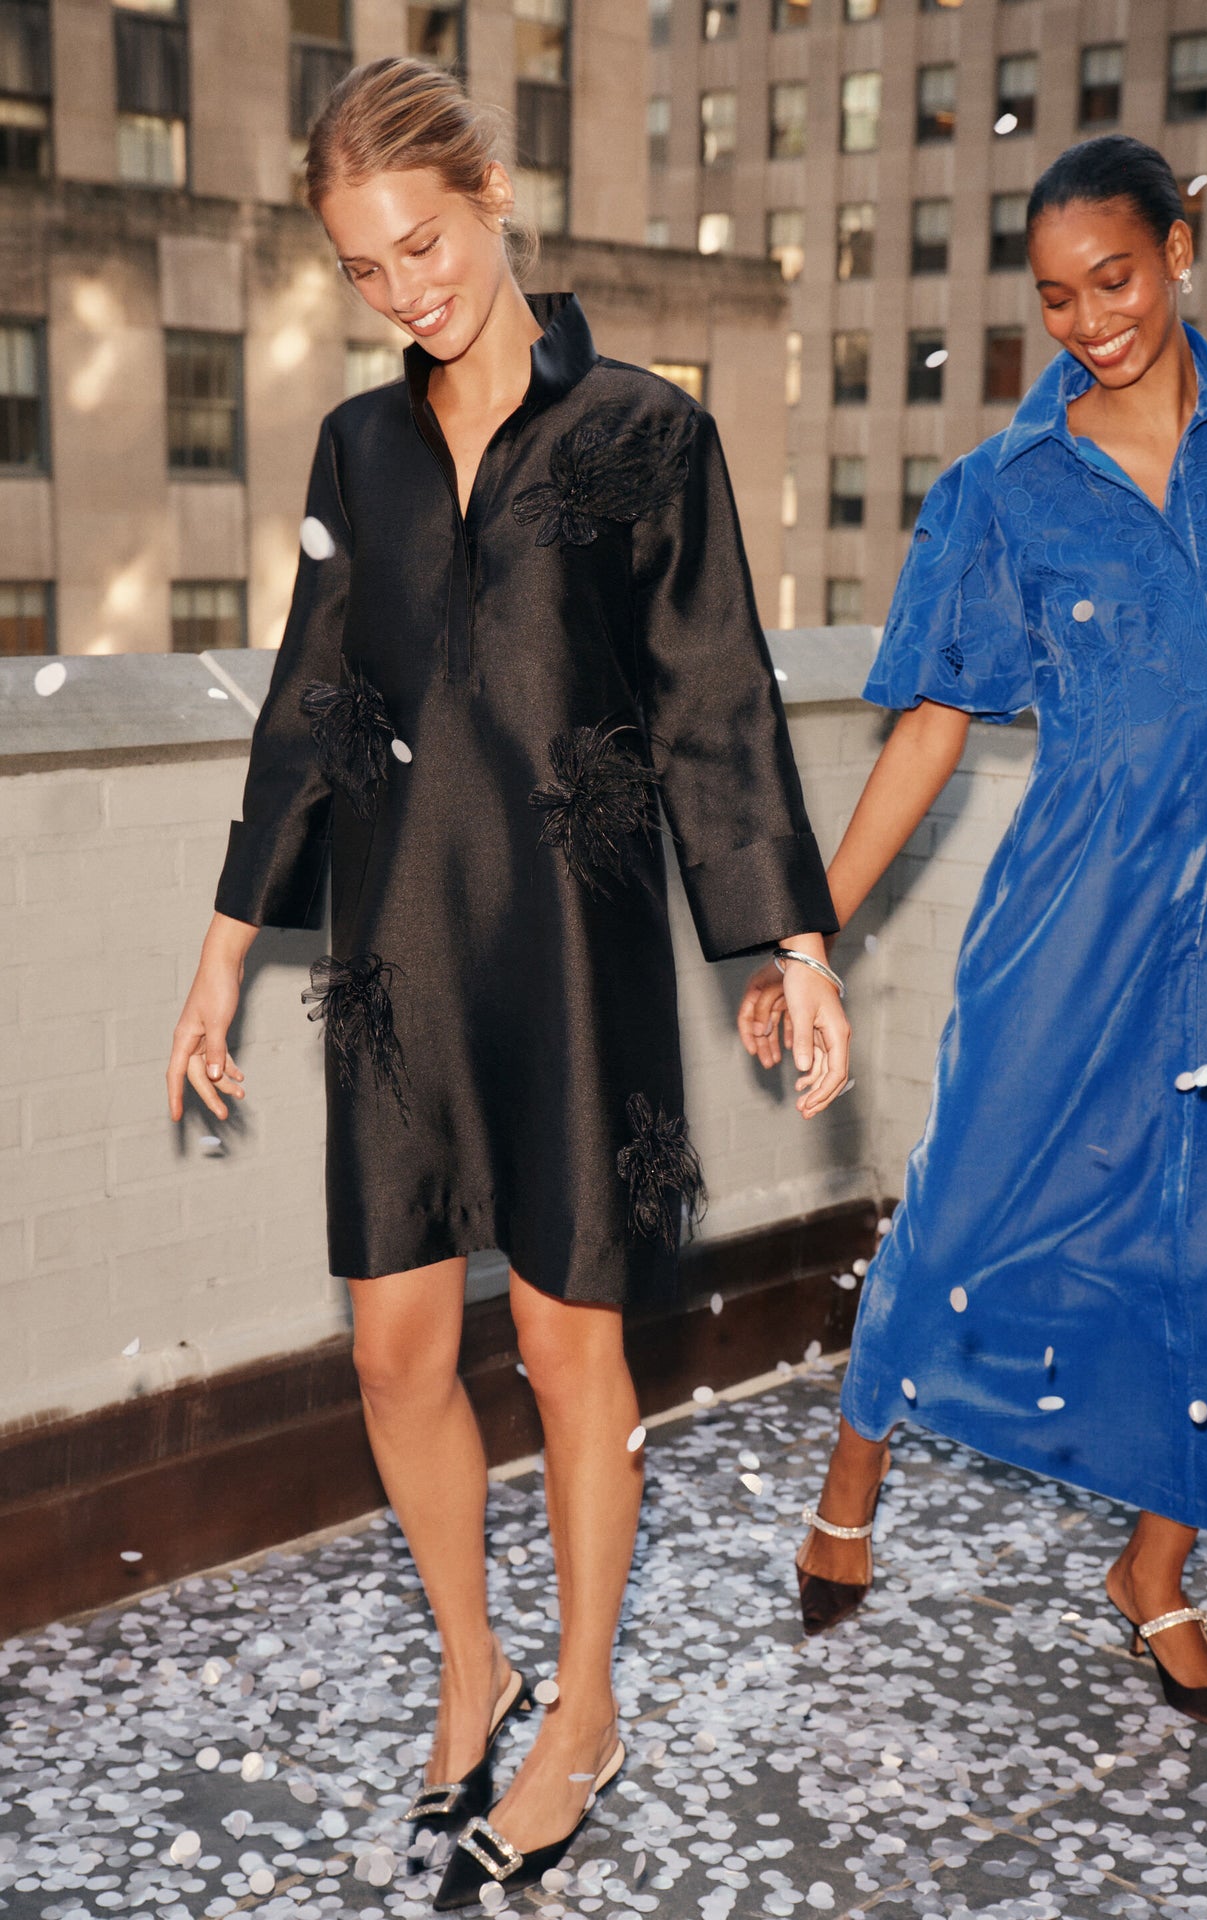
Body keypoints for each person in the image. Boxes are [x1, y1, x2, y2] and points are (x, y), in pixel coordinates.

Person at [165, 57, 848, 1905]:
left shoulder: (644, 432)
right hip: (393, 964)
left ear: (489, 198)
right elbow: (312, 712)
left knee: (566, 1348)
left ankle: (587, 1711)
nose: (407, 291)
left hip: (573, 953)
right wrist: (224, 958)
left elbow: (718, 705)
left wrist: (790, 943)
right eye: (364, 269)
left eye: (425, 242)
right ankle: (475, 1667)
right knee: (397, 1348)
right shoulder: (356, 456)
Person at [740, 133, 1207, 1744]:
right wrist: (800, 932)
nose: (1090, 319)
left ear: (1181, 248)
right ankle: (852, 1480)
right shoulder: (998, 496)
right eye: (1055, 297)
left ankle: (1156, 1572)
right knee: (970, 1200)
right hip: (1079, 917)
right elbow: (925, 734)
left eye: (1115, 278)